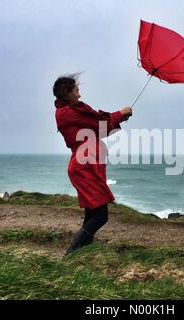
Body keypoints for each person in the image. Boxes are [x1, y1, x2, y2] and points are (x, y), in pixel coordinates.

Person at [54, 74, 132, 256]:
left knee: (91, 215)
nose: (79, 95)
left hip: (85, 166)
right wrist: (121, 113)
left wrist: (121, 118)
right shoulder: (69, 113)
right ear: (67, 93)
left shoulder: (69, 112)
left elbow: (98, 129)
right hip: (85, 168)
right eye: (76, 91)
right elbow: (99, 123)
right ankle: (71, 254)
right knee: (100, 216)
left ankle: (83, 255)